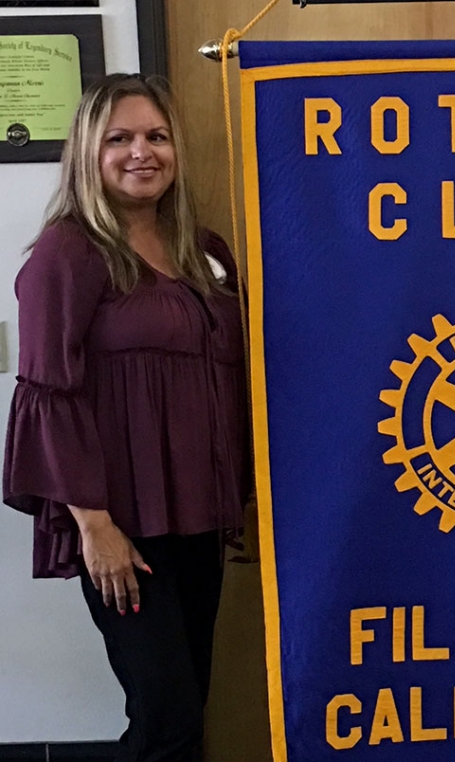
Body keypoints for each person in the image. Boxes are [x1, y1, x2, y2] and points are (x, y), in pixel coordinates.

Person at [3, 73, 249, 761]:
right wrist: (94, 525)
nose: (142, 152)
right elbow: (50, 393)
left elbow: (228, 380)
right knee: (164, 714)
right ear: (89, 151)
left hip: (198, 515)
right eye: (120, 138)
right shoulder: (68, 253)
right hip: (121, 525)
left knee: (189, 700)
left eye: (157, 136)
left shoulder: (205, 251)